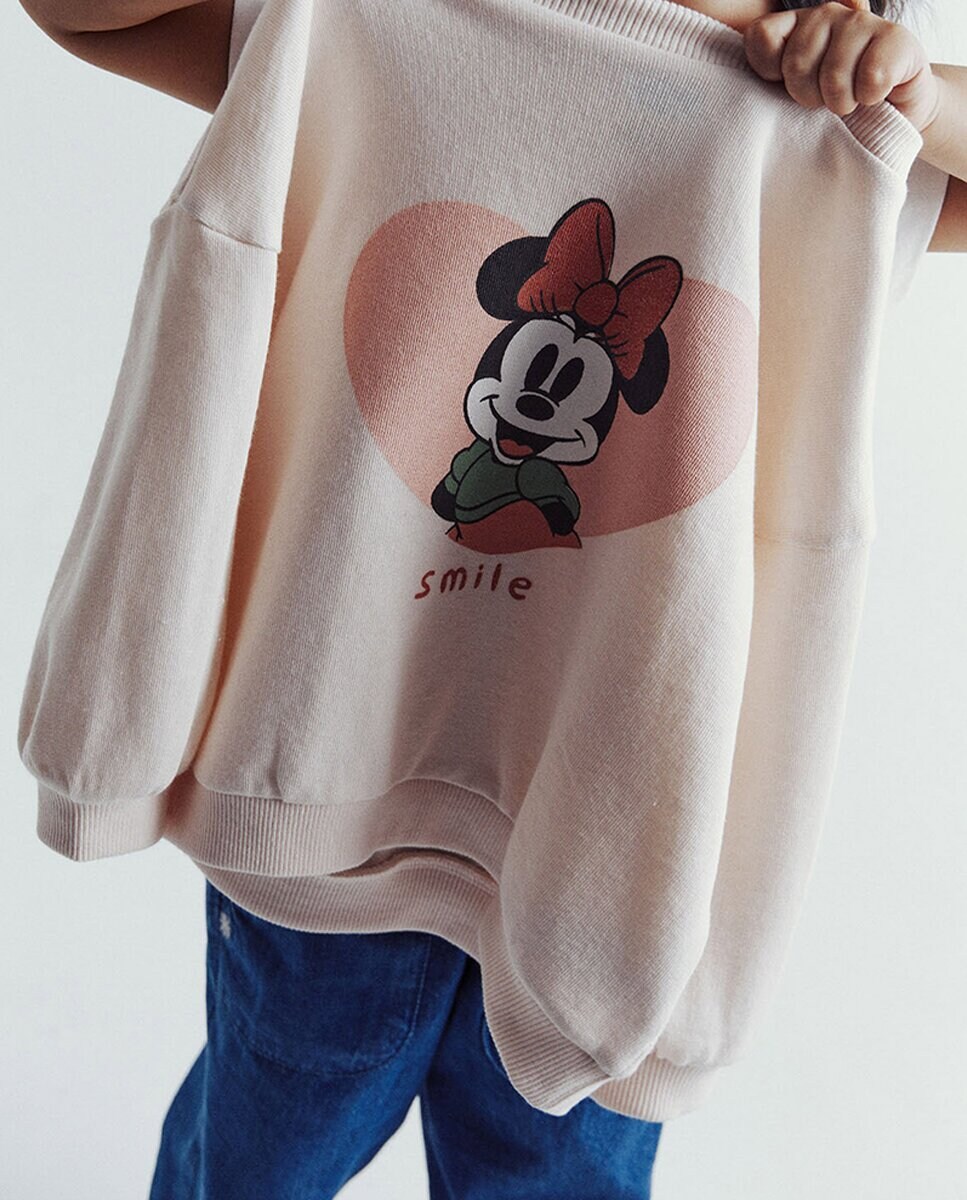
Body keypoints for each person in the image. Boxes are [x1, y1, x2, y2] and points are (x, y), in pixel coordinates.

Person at [15, 0, 965, 1195]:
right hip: (322, 806)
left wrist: (923, 97)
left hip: (600, 866)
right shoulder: (369, 18)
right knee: (258, 1154)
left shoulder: (818, 129)